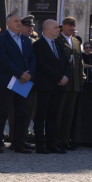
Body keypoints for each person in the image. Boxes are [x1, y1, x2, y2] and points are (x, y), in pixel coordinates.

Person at [0, 12, 36, 154]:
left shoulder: (26, 40)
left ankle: (19, 143)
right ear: (8, 23)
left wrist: (28, 74)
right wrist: (20, 73)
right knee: (3, 112)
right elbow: (4, 60)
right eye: (16, 21)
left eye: (20, 21)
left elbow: (32, 59)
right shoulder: (1, 39)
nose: (19, 23)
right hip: (9, 80)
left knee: (23, 112)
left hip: (23, 81)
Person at [32, 19, 70, 154]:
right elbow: (43, 65)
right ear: (47, 29)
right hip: (45, 86)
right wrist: (59, 77)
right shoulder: (39, 45)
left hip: (58, 87)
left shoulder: (59, 44)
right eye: (55, 28)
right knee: (41, 115)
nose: (58, 30)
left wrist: (65, 76)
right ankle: (40, 145)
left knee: (54, 116)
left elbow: (66, 62)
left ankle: (52, 143)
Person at [57, 17, 84, 151]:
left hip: (74, 84)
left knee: (69, 114)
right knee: (59, 113)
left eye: (73, 26)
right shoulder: (57, 40)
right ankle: (55, 139)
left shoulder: (76, 42)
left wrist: (81, 79)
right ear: (63, 27)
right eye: (69, 26)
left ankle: (65, 139)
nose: (72, 28)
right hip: (62, 83)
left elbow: (80, 63)